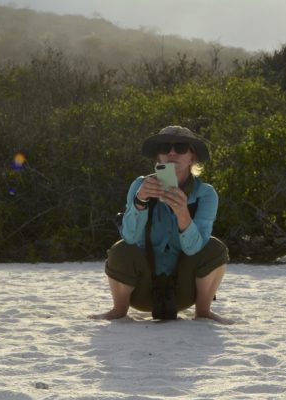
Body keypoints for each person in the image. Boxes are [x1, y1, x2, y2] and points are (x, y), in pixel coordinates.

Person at [91, 125, 231, 324]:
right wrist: (140, 201)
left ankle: (203, 311)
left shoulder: (206, 194)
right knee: (120, 250)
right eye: (165, 148)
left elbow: (195, 248)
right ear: (158, 156)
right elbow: (130, 237)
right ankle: (118, 309)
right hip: (142, 290)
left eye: (181, 147)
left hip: (184, 290)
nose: (172, 152)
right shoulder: (141, 186)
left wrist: (182, 212)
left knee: (215, 248)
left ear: (192, 156)